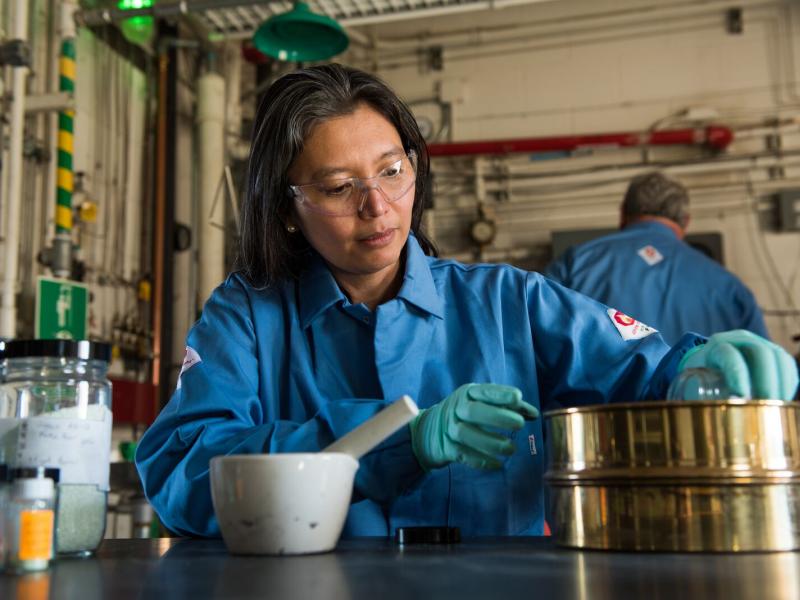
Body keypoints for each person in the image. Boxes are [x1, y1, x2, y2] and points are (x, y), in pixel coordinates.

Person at [135, 65, 798, 539]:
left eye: (393, 172)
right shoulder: (247, 317)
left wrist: (703, 368)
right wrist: (392, 439)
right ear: (288, 208)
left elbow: (646, 372)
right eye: (339, 187)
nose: (378, 207)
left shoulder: (511, 301)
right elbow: (181, 468)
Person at [544, 171, 769, 346]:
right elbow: (765, 372)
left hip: (599, 406)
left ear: (623, 213)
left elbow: (538, 342)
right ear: (686, 221)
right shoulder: (730, 288)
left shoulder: (575, 263)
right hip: (696, 403)